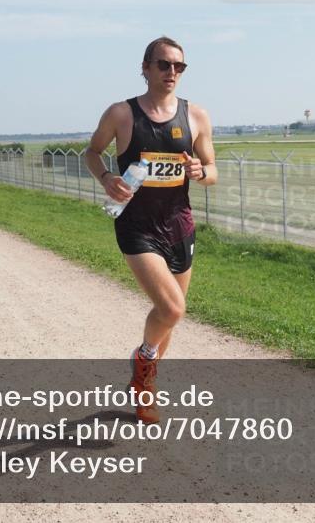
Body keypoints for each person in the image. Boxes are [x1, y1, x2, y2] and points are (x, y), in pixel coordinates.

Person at [85, 36, 217, 424]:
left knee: (169, 316)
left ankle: (145, 385)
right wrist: (107, 176)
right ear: (145, 68)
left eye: (179, 66)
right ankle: (143, 361)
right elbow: (91, 152)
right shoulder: (121, 114)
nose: (171, 72)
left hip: (179, 224)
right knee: (173, 307)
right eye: (164, 65)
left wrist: (201, 171)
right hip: (136, 225)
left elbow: (212, 171)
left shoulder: (196, 117)